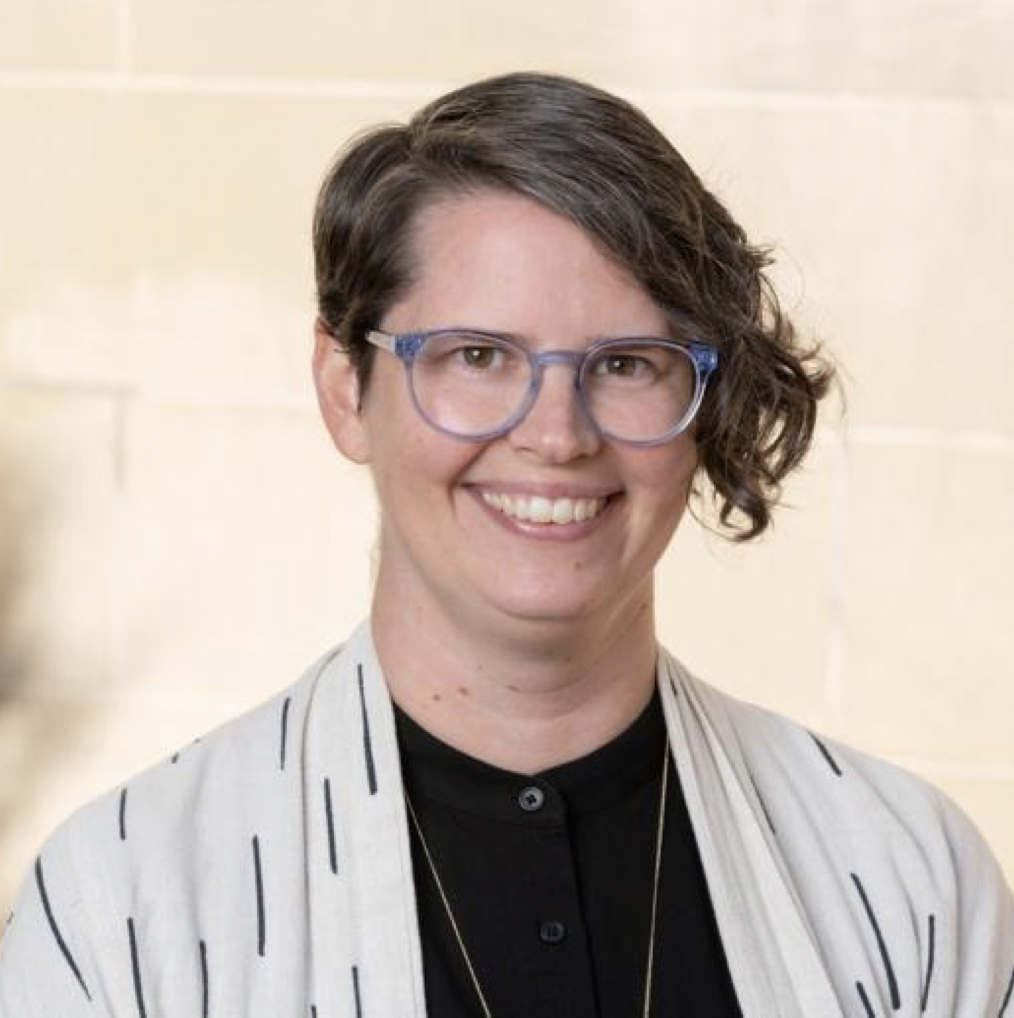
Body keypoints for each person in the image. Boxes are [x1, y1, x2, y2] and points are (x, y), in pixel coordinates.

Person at [0, 71, 1011, 1018]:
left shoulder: (906, 877)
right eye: (478, 356)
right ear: (345, 385)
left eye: (626, 362)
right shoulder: (121, 910)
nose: (558, 435)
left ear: (701, 405)